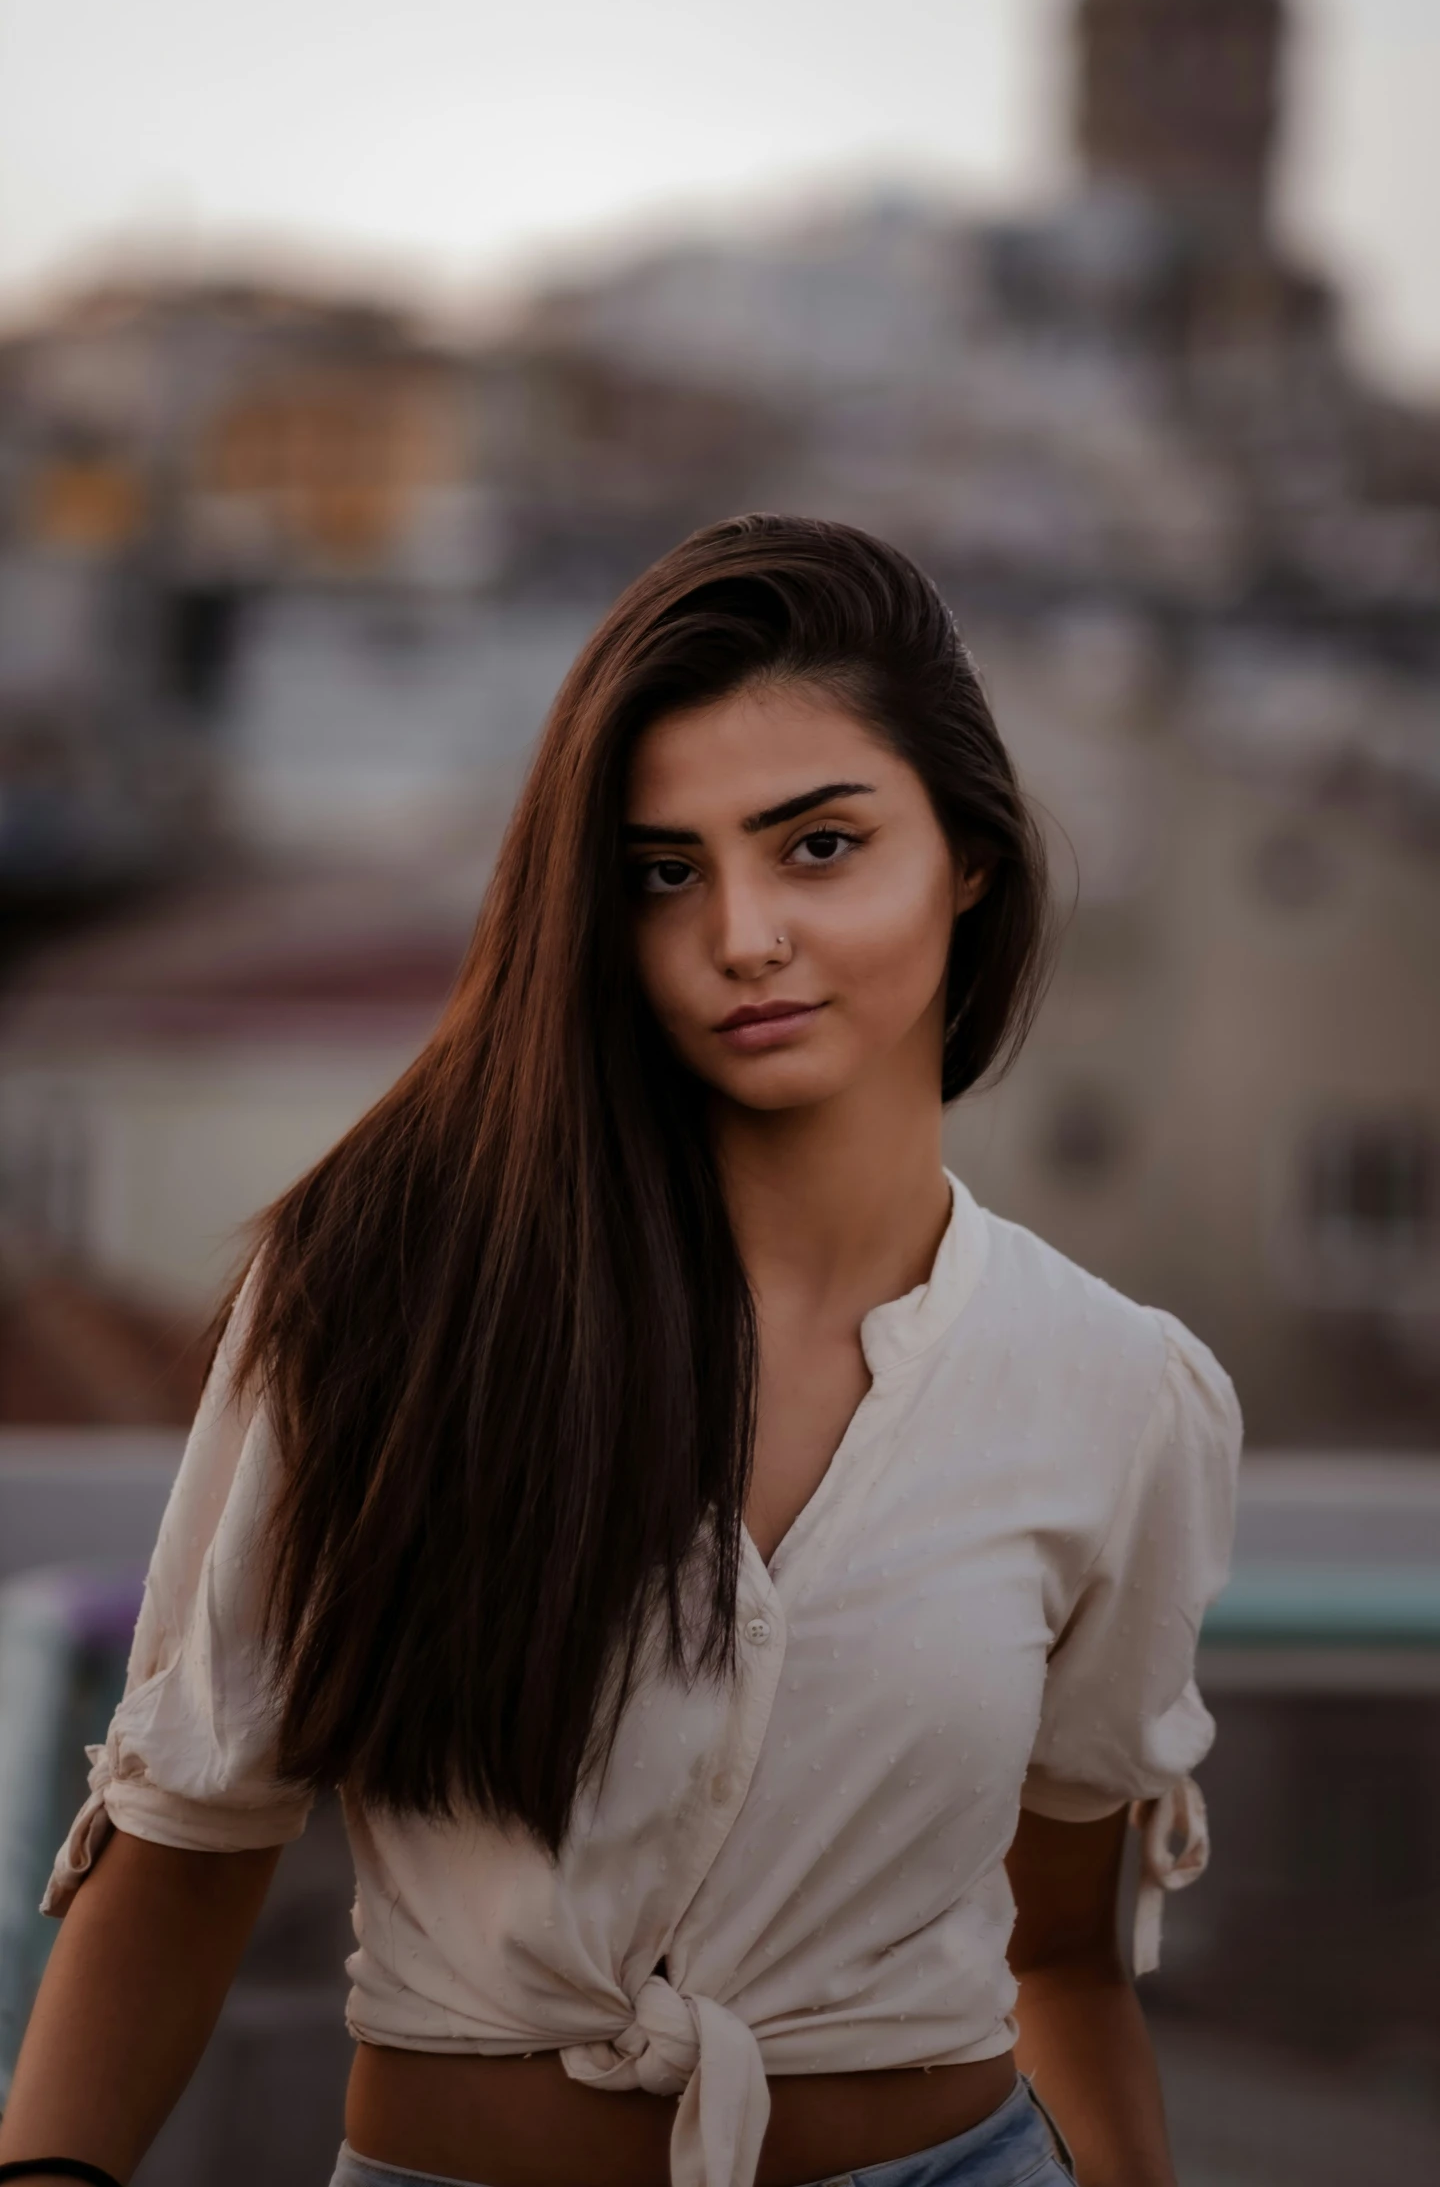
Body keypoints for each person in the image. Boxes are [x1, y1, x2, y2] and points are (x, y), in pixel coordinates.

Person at [0, 515, 1239, 2187]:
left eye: (818, 847)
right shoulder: (385, 1298)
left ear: (968, 860)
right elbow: (183, 1850)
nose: (741, 935)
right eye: (667, 872)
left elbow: (1067, 1960)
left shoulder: (1116, 1393)